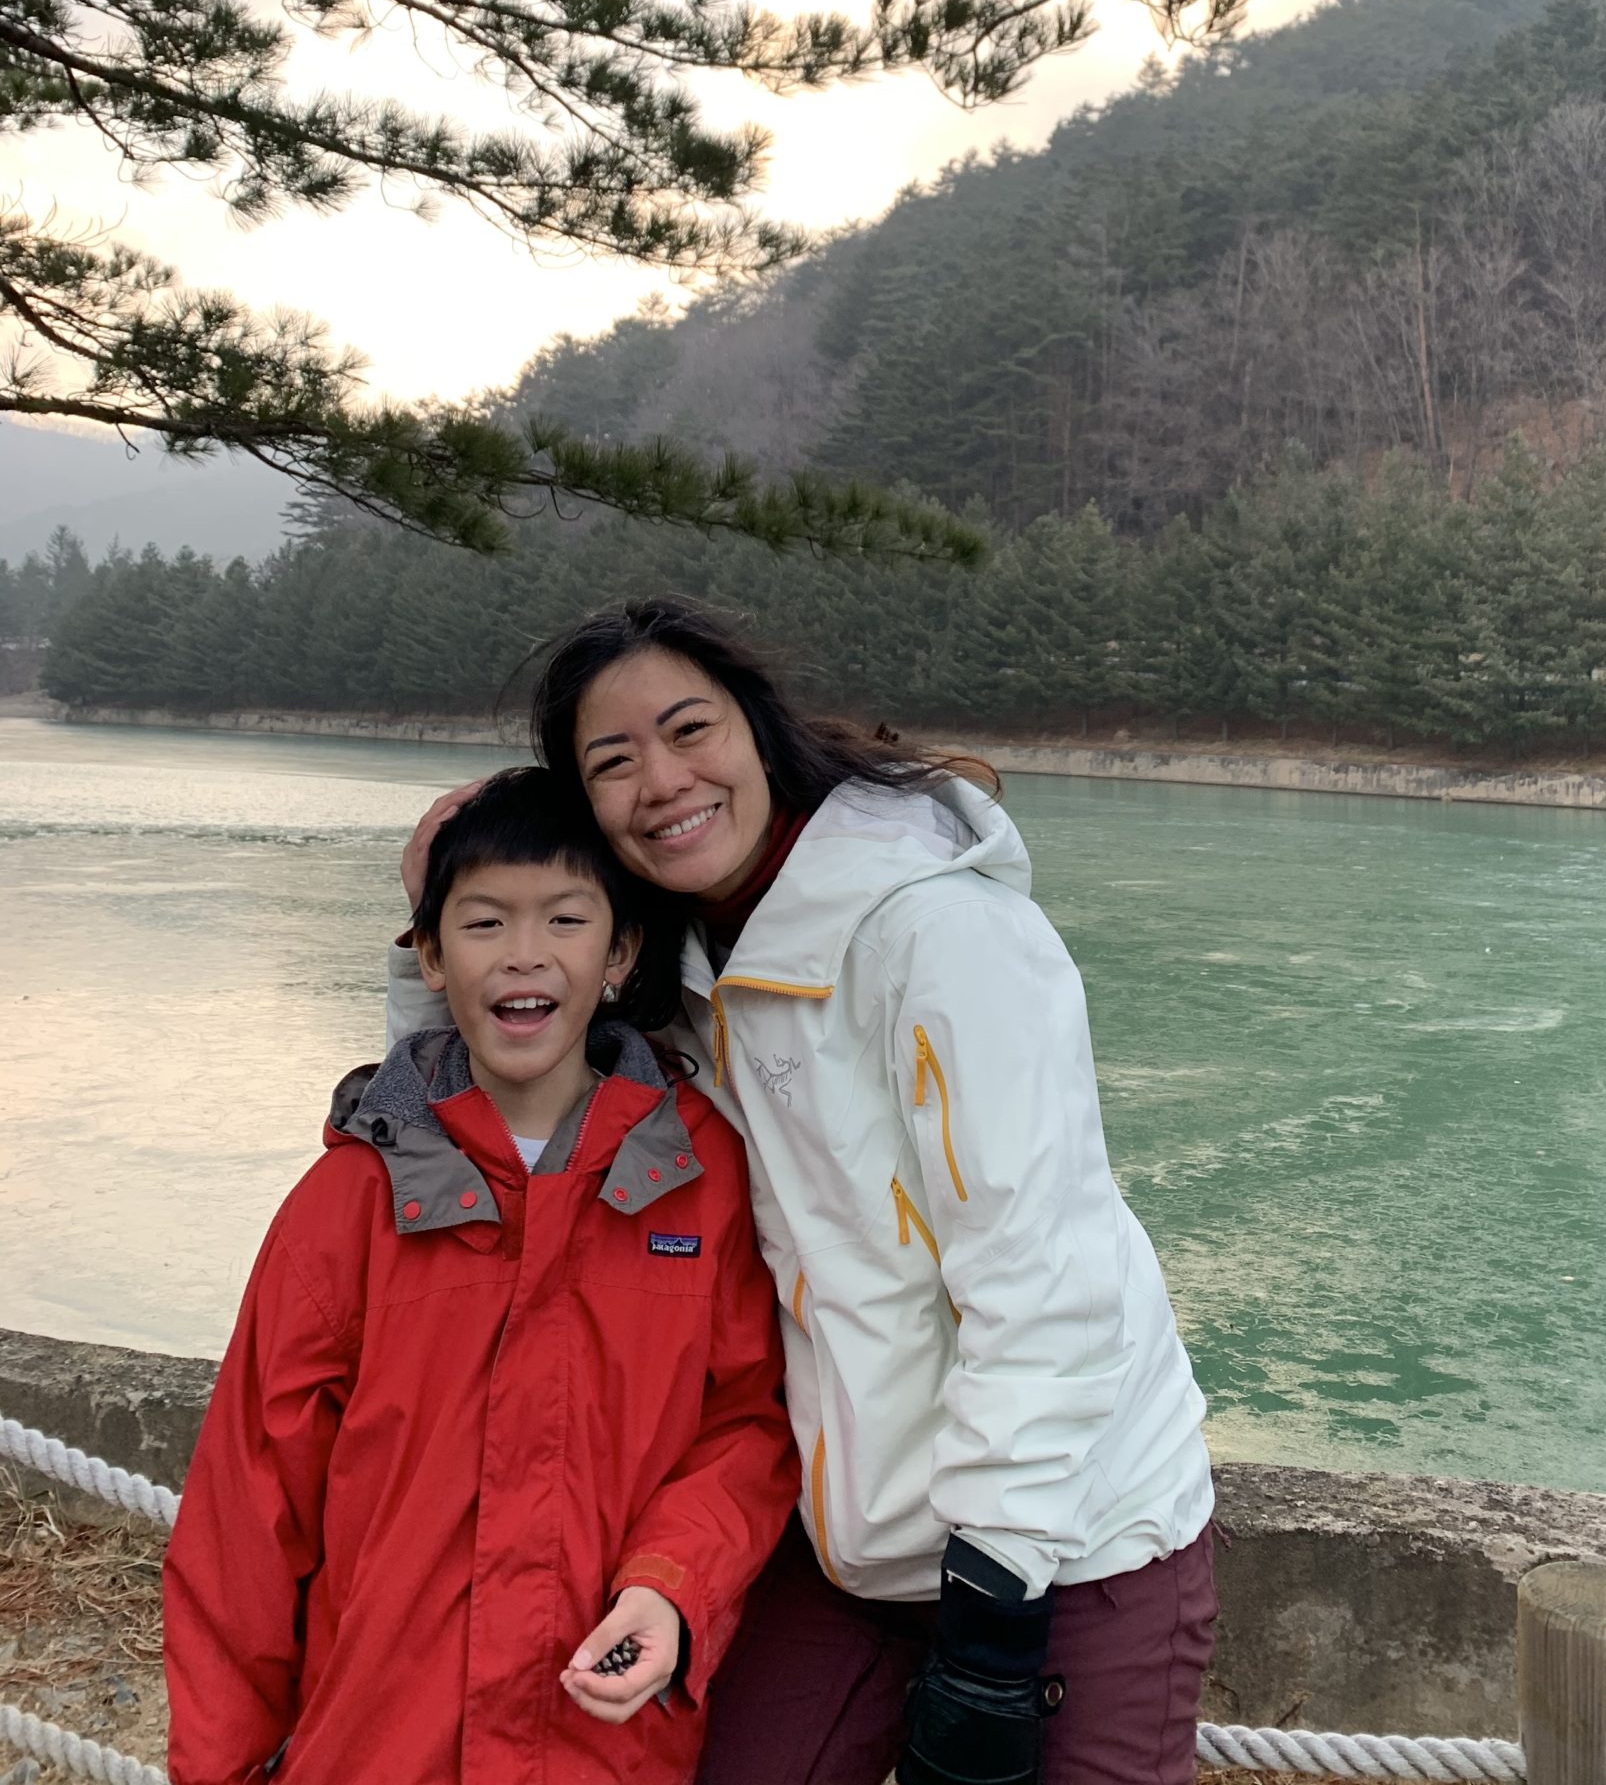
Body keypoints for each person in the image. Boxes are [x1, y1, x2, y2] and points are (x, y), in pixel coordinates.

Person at [392, 602, 1217, 1785]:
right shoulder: (680, 976)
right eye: (611, 762)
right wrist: (436, 913)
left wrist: (992, 1617)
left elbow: (1045, 1277)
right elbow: (496, 1134)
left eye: (689, 730)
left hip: (1071, 1540)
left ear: (759, 729)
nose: (662, 780)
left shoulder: (939, 927)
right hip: (848, 1541)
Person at [165, 766, 798, 1785]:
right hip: (371, 1748)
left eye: (565, 917)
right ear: (427, 956)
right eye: (485, 921)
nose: (525, 955)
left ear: (621, 949)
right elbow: (242, 1523)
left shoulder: (702, 1180)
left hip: (607, 1750)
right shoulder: (350, 1203)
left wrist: (673, 1584)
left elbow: (747, 1425)